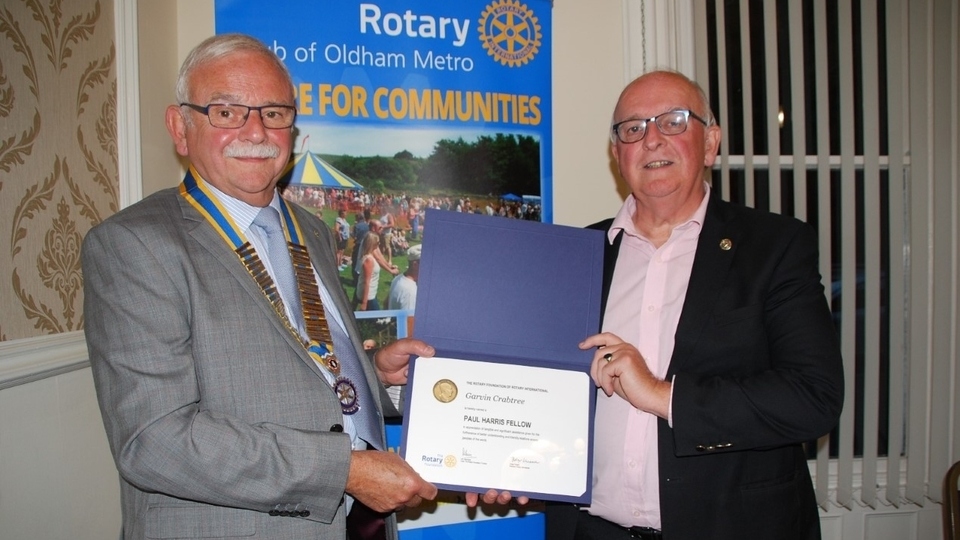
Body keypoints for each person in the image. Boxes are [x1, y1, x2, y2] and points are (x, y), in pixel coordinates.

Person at [82, 33, 519, 540]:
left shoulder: (306, 227)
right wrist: (345, 471)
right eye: (226, 112)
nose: (256, 130)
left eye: (274, 112)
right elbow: (154, 440)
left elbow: (307, 368)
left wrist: (379, 376)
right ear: (181, 128)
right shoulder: (135, 245)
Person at [547, 70, 844, 540]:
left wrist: (663, 395)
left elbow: (813, 399)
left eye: (673, 122)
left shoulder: (775, 247)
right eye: (633, 128)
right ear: (617, 153)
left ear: (710, 144)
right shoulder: (575, 254)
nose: (651, 140)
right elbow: (540, 386)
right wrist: (511, 462)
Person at [386, 244, 420, 311]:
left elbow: (386, 303)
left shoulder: (398, 278)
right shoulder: (410, 293)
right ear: (415, 265)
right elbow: (407, 321)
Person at [355, 232, 383, 311]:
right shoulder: (368, 260)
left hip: (371, 293)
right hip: (369, 296)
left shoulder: (370, 256)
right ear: (372, 243)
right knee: (377, 320)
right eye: (378, 242)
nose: (379, 244)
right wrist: (364, 303)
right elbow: (367, 282)